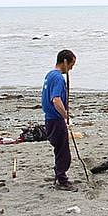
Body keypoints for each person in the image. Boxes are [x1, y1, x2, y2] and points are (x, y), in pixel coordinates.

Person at [41, 50, 78, 192]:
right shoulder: (57, 78)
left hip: (49, 119)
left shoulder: (50, 75)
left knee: (59, 149)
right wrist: (65, 115)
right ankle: (62, 180)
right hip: (55, 119)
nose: (71, 68)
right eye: (71, 64)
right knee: (63, 151)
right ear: (64, 61)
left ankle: (59, 175)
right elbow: (55, 99)